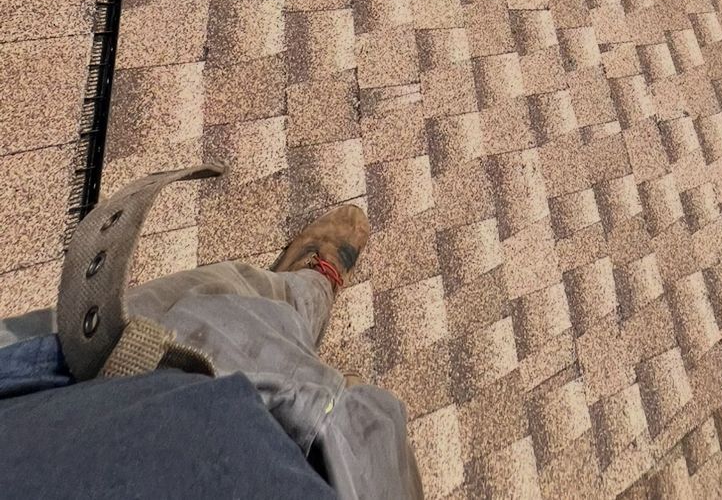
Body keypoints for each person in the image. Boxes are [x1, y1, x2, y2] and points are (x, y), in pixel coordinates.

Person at [0, 167, 421, 500]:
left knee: (228, 302)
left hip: (79, 386)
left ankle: (294, 299)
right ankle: (307, 293)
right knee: (263, 318)